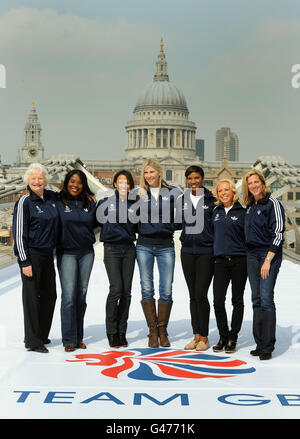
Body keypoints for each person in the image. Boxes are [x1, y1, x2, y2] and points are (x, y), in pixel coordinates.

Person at [13, 163, 59, 353]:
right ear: (28, 181)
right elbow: (19, 232)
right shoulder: (25, 201)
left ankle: (42, 334)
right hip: (32, 255)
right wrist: (24, 261)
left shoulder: (51, 198)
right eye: (33, 179)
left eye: (40, 178)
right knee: (32, 298)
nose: (37, 181)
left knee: (50, 296)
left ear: (46, 180)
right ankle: (32, 341)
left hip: (49, 255)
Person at [136, 159, 181, 348]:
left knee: (166, 288)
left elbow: (185, 215)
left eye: (151, 172)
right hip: (144, 244)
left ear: (160, 171)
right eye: (145, 173)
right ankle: (152, 331)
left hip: (165, 245)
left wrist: (167, 226)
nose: (148, 176)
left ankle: (163, 329)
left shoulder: (173, 192)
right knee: (146, 287)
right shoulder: (137, 194)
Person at [242, 169, 285, 360]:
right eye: (250, 183)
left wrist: (268, 260)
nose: (253, 186)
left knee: (266, 299)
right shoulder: (250, 206)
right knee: (256, 299)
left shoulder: (272, 203)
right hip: (251, 255)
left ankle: (267, 346)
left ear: (263, 182)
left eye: (256, 182)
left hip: (268, 255)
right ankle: (259, 343)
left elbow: (278, 234)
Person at [56, 170, 97, 352]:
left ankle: (79, 337)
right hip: (67, 253)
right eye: (72, 181)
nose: (75, 185)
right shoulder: (57, 201)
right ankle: (68, 339)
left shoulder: (90, 203)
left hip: (87, 252)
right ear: (66, 183)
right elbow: (40, 192)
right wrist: (27, 189)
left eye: (79, 182)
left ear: (84, 185)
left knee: (81, 296)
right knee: (69, 297)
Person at [97, 170, 137, 348]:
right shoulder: (104, 203)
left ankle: (122, 331)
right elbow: (91, 223)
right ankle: (112, 332)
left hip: (129, 249)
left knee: (126, 292)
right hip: (112, 249)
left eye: (127, 182)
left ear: (130, 186)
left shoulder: (136, 204)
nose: (123, 185)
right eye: (120, 182)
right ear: (114, 184)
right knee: (116, 290)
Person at [177, 165, 216, 351]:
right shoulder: (181, 199)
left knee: (201, 294)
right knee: (193, 295)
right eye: (190, 178)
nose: (193, 181)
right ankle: (196, 335)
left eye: (196, 178)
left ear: (202, 178)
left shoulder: (212, 199)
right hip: (187, 251)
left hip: (206, 251)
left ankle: (205, 337)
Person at [212, 179, 247, 353]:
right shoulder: (215, 212)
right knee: (218, 301)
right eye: (220, 191)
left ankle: (233, 337)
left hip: (239, 261)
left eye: (227, 190)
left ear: (233, 192)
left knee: (237, 300)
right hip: (220, 262)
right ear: (217, 194)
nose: (224, 193)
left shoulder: (243, 212)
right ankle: (223, 336)